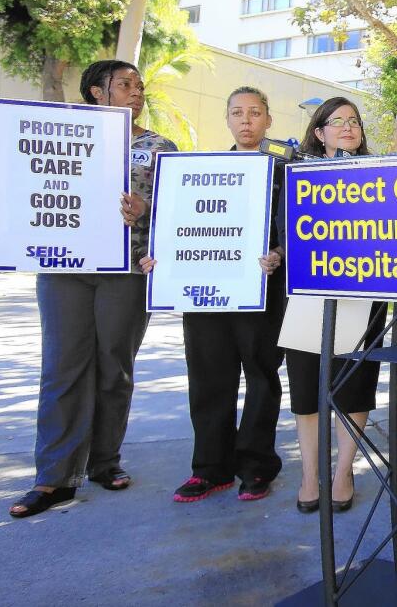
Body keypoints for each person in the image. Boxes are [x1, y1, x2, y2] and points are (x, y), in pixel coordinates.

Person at [0, 60, 178, 518]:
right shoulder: (54, 134)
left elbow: (179, 212)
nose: (137, 91)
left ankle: (104, 462)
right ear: (96, 92)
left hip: (127, 269)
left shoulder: (158, 146)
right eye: (125, 84)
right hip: (62, 267)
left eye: (139, 85)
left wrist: (147, 208)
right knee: (62, 367)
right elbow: (20, 181)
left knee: (114, 365)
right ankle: (53, 477)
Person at [139, 87, 288, 503]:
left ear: (268, 121)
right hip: (204, 292)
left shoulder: (282, 170)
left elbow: (294, 224)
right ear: (227, 120)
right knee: (208, 380)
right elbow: (174, 225)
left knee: (261, 377)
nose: (246, 120)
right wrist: (161, 260)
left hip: (259, 288)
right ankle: (209, 469)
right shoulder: (195, 171)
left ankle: (257, 467)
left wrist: (278, 253)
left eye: (255, 113)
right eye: (237, 112)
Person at [280, 96, 386, 514]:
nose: (347, 127)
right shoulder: (296, 176)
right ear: (319, 132)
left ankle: (343, 472)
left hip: (365, 295)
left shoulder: (384, 176)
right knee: (307, 389)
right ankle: (310, 474)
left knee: (355, 388)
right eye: (337, 121)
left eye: (354, 121)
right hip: (310, 293)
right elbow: (282, 231)